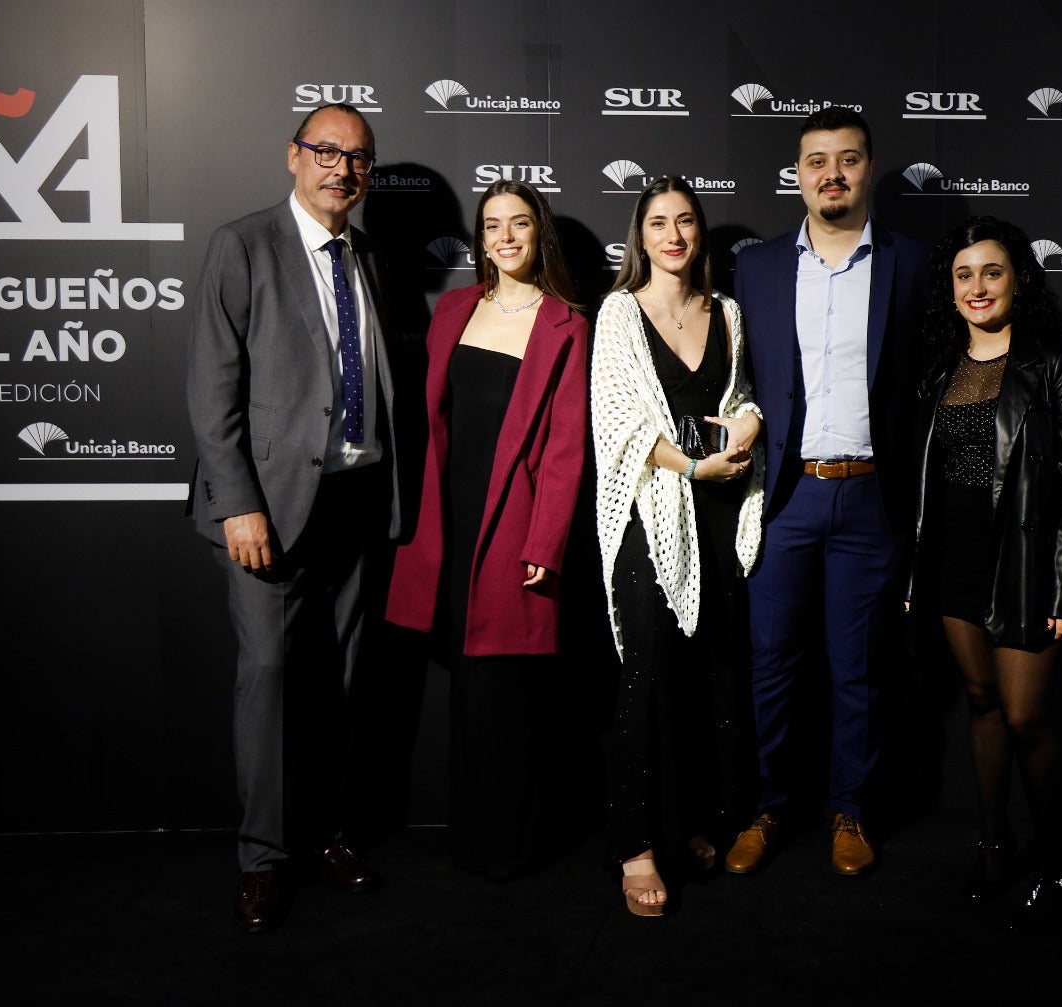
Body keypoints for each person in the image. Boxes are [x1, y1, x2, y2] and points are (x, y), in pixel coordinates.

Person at [186, 103, 402, 933]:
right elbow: (212, 392)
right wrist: (238, 502)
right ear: (293, 157)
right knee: (271, 679)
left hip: (355, 498)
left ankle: (326, 834)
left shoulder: (366, 254)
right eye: (326, 151)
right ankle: (262, 856)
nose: (342, 168)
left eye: (358, 158)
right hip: (268, 507)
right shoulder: (243, 246)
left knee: (338, 683)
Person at [727, 107, 930, 877]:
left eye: (847, 160)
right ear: (799, 172)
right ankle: (770, 806)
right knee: (771, 661)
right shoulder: (759, 266)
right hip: (785, 497)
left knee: (859, 666)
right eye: (817, 161)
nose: (832, 174)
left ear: (868, 168)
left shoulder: (913, 263)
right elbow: (739, 377)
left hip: (872, 499)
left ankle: (851, 809)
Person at [385, 180, 590, 882]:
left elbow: (567, 449)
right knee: (468, 687)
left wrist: (544, 543)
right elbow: (430, 425)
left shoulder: (566, 322)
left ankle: (514, 844)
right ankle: (473, 840)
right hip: (448, 520)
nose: (505, 237)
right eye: (492, 225)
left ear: (541, 234)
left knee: (509, 688)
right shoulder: (453, 310)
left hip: (514, 521)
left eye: (519, 224)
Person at [906, 215, 1062, 931]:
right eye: (964, 274)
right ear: (950, 288)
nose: (977, 286)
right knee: (982, 701)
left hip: (1024, 564)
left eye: (991, 271)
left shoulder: (1054, 361)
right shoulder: (937, 366)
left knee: (1026, 717)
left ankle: (1055, 864)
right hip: (954, 564)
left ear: (1018, 278)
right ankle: (994, 844)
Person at [591, 176, 765, 916]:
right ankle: (636, 843)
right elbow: (619, 422)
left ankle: (688, 820)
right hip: (650, 509)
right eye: (658, 222)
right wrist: (691, 465)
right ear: (641, 234)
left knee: (708, 673)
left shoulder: (725, 310)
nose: (673, 234)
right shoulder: (618, 313)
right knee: (650, 670)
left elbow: (741, 394)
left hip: (722, 508)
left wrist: (750, 421)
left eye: (686, 220)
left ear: (699, 232)